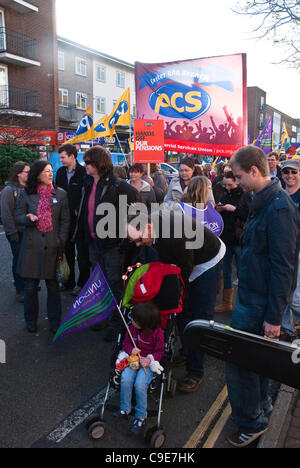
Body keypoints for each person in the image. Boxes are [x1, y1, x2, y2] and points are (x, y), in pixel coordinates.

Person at [226, 145, 300, 447]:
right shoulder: (262, 199)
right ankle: (260, 408)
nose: (237, 181)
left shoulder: (279, 208)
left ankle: (251, 422)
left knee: (238, 361)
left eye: (239, 176)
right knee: (253, 361)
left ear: (255, 171)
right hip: (251, 296)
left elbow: (284, 268)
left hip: (259, 303)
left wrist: (273, 318)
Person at [127, 208, 225, 393]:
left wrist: (176, 295)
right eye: (134, 241)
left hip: (207, 260)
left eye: (140, 240)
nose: (139, 245)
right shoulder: (152, 230)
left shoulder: (174, 237)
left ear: (148, 227)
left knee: (197, 316)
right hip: (188, 256)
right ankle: (188, 352)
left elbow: (184, 269)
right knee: (181, 312)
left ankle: (196, 371)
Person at [75, 146, 139, 341]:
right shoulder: (88, 183)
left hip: (112, 245)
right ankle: (101, 318)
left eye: (87, 162)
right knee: (99, 283)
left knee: (114, 285)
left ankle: (116, 324)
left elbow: (138, 212)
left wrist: (127, 236)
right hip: (93, 243)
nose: (84, 165)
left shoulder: (119, 186)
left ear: (98, 164)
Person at [15, 161, 70, 334]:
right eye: (46, 171)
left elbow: (65, 220)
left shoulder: (60, 194)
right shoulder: (26, 193)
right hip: (32, 247)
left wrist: (61, 240)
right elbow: (18, 216)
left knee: (53, 287)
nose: (50, 174)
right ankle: (30, 320)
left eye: (51, 171)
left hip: (53, 247)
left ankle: (55, 322)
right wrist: (27, 218)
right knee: (30, 287)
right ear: (38, 174)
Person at [115, 302, 165, 435]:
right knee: (125, 379)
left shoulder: (157, 333)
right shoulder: (132, 328)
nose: (131, 321)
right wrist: (131, 349)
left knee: (140, 384)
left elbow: (160, 351)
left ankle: (141, 416)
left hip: (147, 364)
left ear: (145, 323)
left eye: (135, 320)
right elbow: (125, 343)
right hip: (133, 359)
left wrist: (150, 359)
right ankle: (125, 409)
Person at [56, 144, 90, 296]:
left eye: (63, 157)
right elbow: (55, 193)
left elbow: (87, 196)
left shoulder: (84, 173)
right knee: (67, 252)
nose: (61, 160)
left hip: (80, 222)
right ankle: (68, 282)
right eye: (60, 157)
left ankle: (82, 284)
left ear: (72, 156)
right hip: (64, 221)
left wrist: (78, 209)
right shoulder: (60, 172)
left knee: (82, 256)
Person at [215, 171, 249, 313]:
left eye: (230, 184)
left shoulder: (244, 194)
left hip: (239, 239)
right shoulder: (224, 193)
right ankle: (227, 303)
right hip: (226, 238)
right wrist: (219, 208)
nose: (228, 187)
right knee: (227, 271)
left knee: (243, 273)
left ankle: (243, 304)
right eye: (225, 185)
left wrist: (233, 209)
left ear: (237, 182)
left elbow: (248, 214)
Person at [0, 161, 30, 303]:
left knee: (28, 260)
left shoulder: (28, 188)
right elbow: (6, 215)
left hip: (29, 232)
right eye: (27, 172)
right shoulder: (8, 190)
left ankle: (28, 286)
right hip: (16, 233)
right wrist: (13, 234)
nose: (29, 174)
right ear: (19, 173)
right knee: (19, 261)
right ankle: (20, 289)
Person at [280, 159, 300, 339]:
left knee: (295, 298)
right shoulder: (278, 195)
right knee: (282, 292)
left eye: (294, 172)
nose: (290, 175)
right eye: (286, 172)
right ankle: (287, 329)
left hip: (298, 254)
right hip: (281, 253)